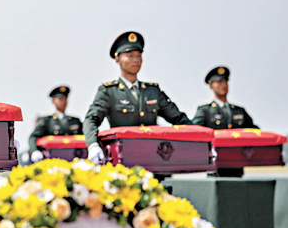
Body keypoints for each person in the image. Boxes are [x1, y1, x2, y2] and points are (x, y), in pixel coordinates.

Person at [83, 32, 190, 163]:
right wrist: (93, 145)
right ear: (117, 59)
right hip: (123, 159)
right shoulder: (109, 91)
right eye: (130, 56)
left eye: (139, 56)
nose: (136, 60)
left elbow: (179, 119)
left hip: (154, 158)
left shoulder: (152, 91)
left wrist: (202, 141)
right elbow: (91, 120)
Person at [192, 66, 257, 177]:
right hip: (215, 167)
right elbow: (195, 132)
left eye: (225, 81)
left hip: (237, 166)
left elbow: (254, 132)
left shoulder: (239, 111)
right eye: (219, 82)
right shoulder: (205, 111)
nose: (223, 85)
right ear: (211, 86)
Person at [28, 85, 83, 162]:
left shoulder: (75, 121)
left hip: (75, 159)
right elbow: (33, 137)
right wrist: (34, 151)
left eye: (65, 98)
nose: (63, 101)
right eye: (60, 99)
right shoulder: (47, 121)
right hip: (52, 161)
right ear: (53, 101)